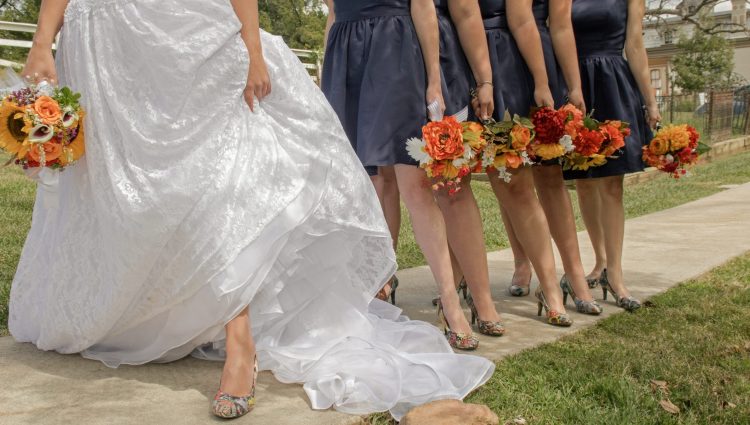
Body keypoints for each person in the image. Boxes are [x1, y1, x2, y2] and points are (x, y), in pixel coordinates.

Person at [10, 0, 494, 420]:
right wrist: (41, 41)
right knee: (133, 193)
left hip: (186, 32)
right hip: (103, 43)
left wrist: (254, 51)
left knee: (219, 177)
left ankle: (240, 341)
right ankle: (178, 310)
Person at [322, 0, 486, 348]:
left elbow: (424, 7)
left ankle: (451, 303)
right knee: (372, 182)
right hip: (347, 56)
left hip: (396, 54)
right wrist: (327, 78)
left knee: (415, 184)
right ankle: (377, 287)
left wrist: (433, 82)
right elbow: (333, 12)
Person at [491, 0, 602, 315]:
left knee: (550, 175)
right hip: (496, 61)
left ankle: (575, 275)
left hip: (539, 60)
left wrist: (574, 86)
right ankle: (525, 263)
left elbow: (562, 23)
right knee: (510, 175)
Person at [478, 0, 573, 326]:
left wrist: (542, 82)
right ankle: (467, 284)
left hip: (505, 63)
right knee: (491, 183)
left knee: (517, 184)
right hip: (461, 60)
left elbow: (522, 20)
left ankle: (551, 289)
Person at [564, 0, 661, 311]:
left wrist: (650, 101)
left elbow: (634, 45)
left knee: (611, 185)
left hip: (612, 84)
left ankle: (615, 275)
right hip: (573, 84)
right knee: (584, 180)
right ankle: (600, 262)